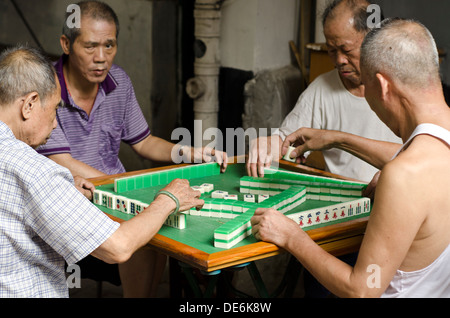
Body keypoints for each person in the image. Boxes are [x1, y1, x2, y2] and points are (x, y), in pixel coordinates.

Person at [36, 1, 226, 297]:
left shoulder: (119, 82)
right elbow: (62, 161)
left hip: (116, 193)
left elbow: (144, 142)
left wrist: (190, 153)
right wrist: (128, 192)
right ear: (66, 44)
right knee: (143, 226)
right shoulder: (46, 87)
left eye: (109, 46)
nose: (101, 58)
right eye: (90, 47)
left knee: (160, 225)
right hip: (72, 198)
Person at [251, 18, 450, 298]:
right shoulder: (430, 150)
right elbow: (410, 157)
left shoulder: (403, 175)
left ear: (382, 87)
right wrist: (338, 138)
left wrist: (290, 235)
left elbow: (362, 290)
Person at [0, 45, 204, 298]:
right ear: (29, 104)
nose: (55, 122)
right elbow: (118, 248)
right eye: (54, 110)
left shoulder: (31, 170)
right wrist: (168, 199)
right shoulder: (37, 171)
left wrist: (61, 191)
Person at [246, 0, 401, 183]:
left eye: (346, 50)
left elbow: (431, 152)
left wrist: (393, 173)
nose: (339, 60)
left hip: (397, 195)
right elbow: (286, 141)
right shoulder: (321, 88)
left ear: (374, 40)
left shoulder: (403, 83)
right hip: (342, 201)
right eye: (332, 50)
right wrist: (269, 143)